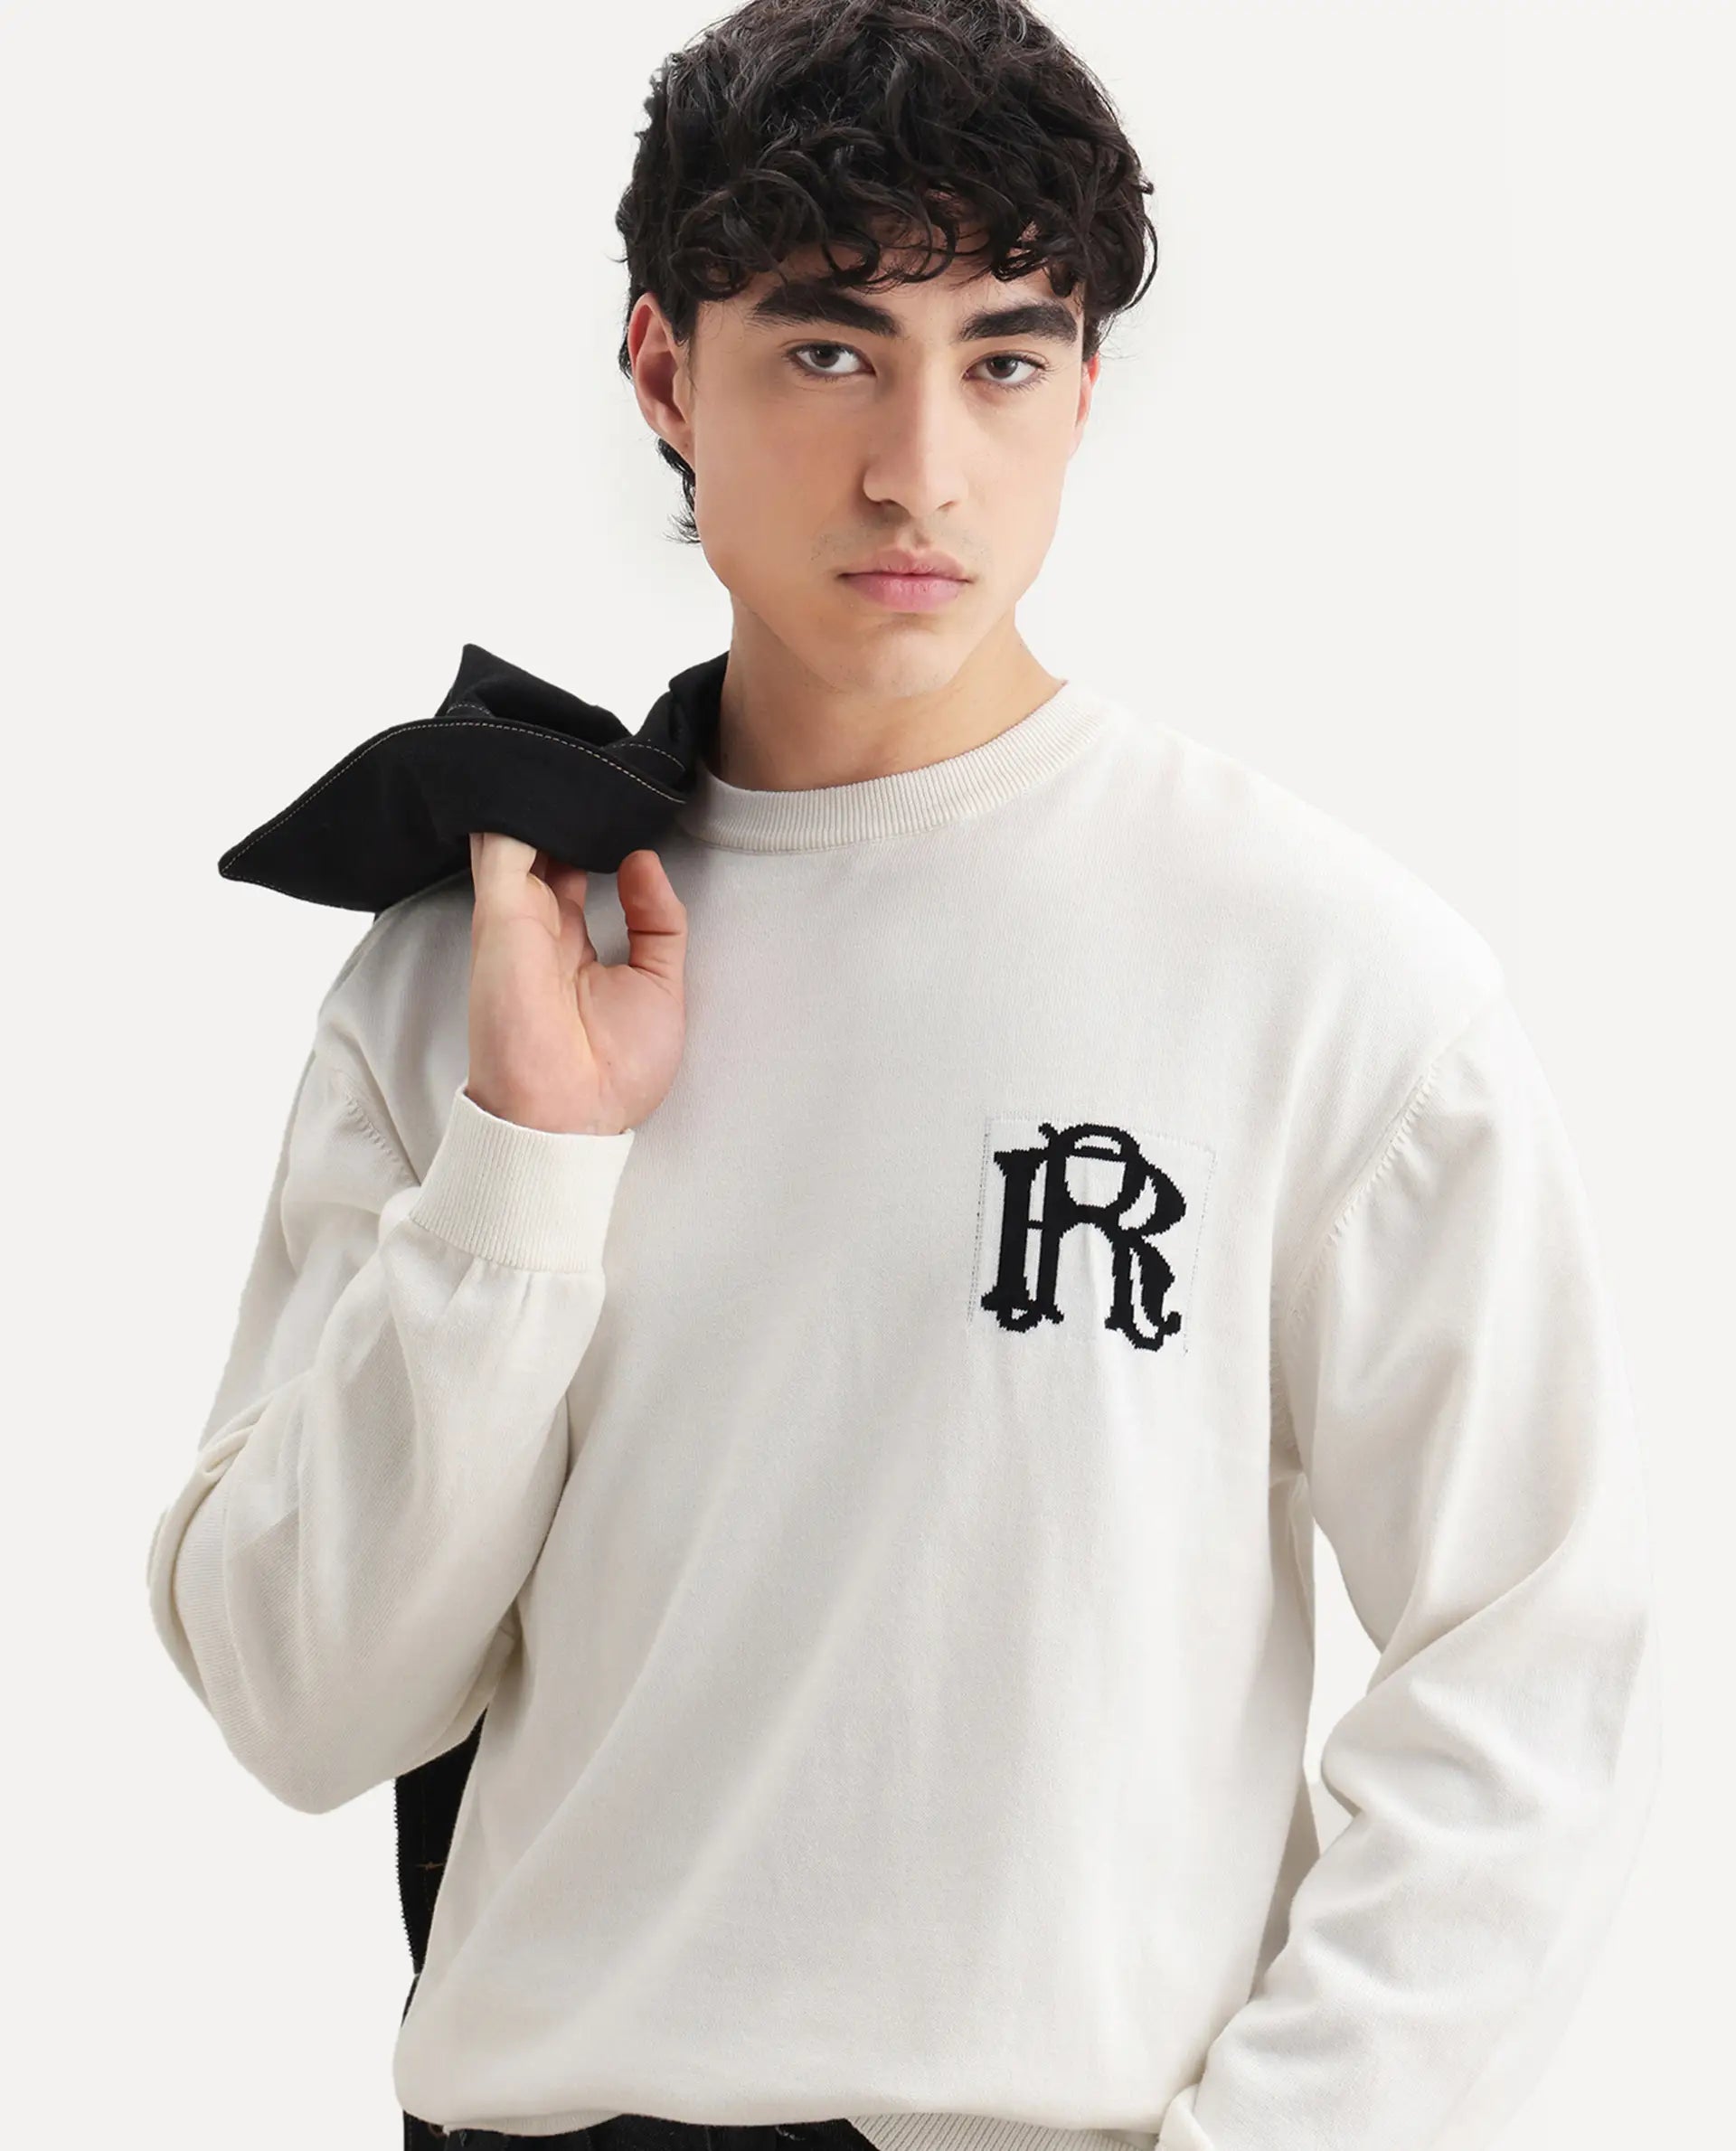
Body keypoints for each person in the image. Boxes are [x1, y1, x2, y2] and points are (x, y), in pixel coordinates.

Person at [144, 4, 1662, 2149]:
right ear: (665, 371)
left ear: (1084, 388)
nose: (920, 467)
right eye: (830, 349)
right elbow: (303, 1702)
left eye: (1004, 360)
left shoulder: (1321, 973)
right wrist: (525, 1162)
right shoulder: (471, 968)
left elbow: (1532, 1662)